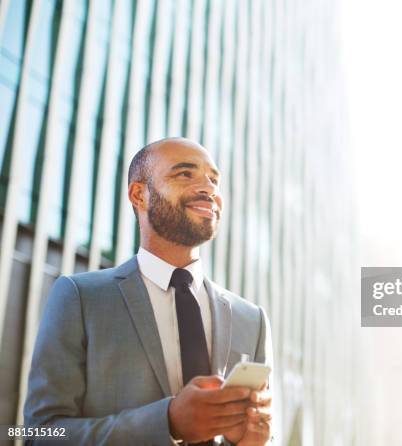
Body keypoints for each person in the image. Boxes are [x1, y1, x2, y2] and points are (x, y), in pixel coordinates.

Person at [24, 137, 273, 445]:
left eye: (214, 179)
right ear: (139, 194)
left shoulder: (252, 320)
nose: (209, 188)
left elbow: (267, 432)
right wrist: (167, 423)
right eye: (185, 173)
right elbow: (39, 433)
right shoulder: (79, 297)